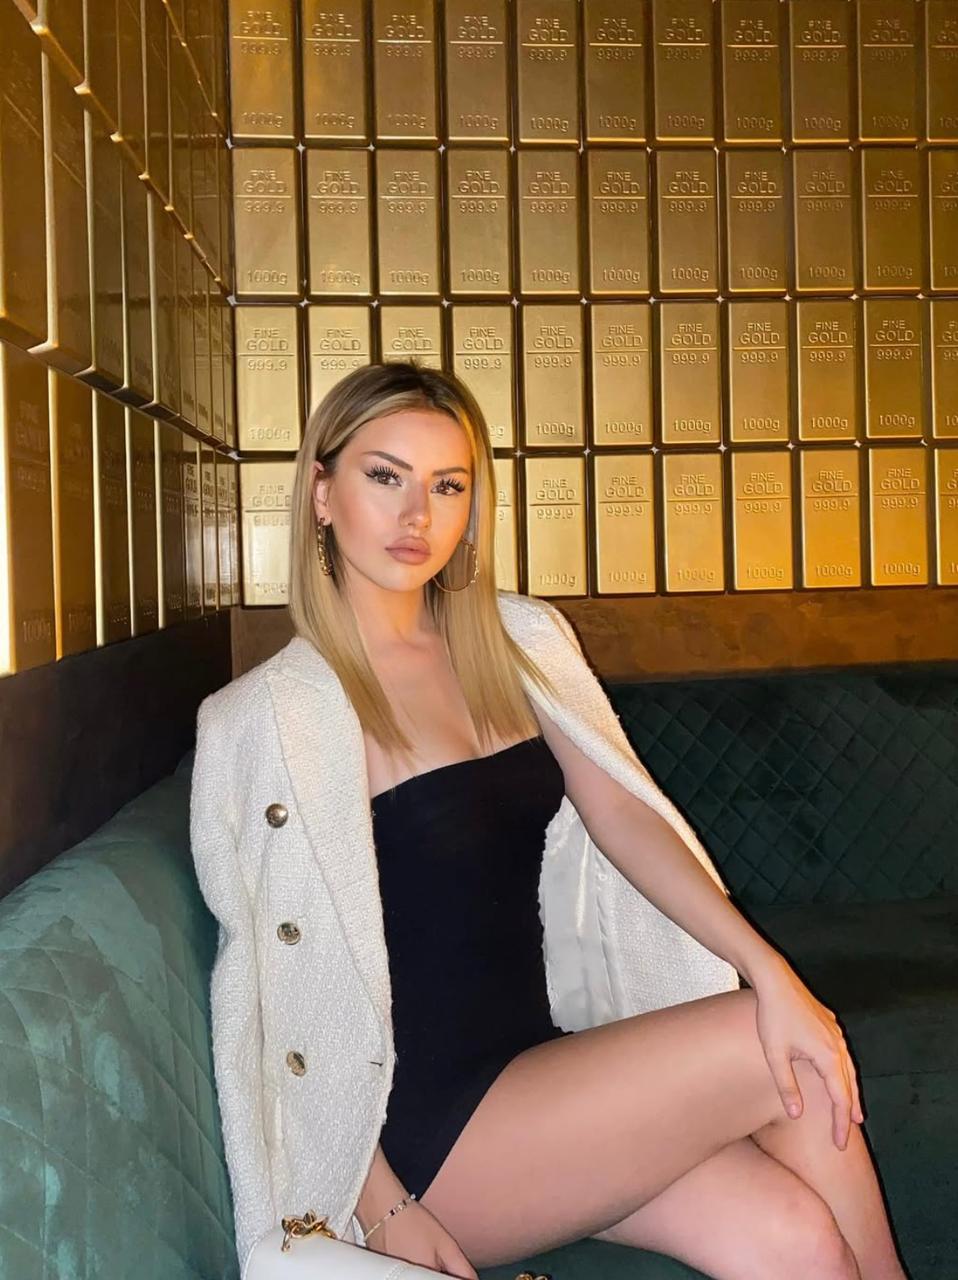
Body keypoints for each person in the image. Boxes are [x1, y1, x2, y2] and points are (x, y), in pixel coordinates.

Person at [190, 359, 910, 1280]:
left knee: (793, 1235)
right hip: (416, 1140)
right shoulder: (267, 717)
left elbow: (624, 813)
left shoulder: (518, 641)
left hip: (538, 1074)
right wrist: (382, 1203)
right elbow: (276, 992)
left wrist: (771, 970)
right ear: (322, 494)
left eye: (447, 485)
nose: (417, 515)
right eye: (385, 476)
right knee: (775, 1050)